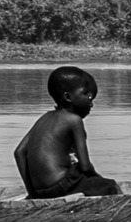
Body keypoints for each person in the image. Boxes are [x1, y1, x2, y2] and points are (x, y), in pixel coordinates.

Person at [14, 65, 122, 199]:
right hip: (63, 185)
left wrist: (32, 193)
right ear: (67, 97)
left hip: (40, 190)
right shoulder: (74, 120)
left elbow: (19, 152)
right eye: (86, 95)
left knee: (77, 170)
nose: (91, 103)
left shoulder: (44, 118)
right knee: (110, 186)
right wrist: (98, 180)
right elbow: (85, 167)